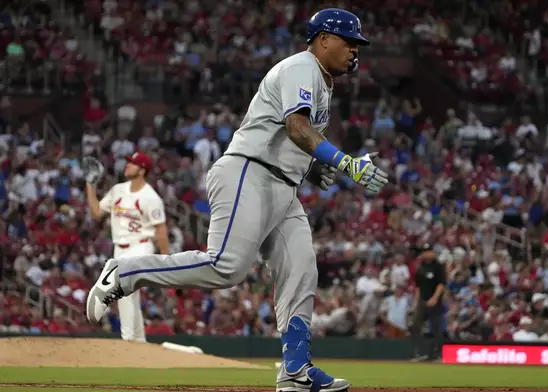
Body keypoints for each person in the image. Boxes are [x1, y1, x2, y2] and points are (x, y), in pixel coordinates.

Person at [86, 9, 387, 392]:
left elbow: (287, 134)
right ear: (323, 39)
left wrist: (311, 168)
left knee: (301, 271)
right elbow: (296, 127)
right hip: (249, 172)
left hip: (280, 184)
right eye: (349, 42)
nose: (354, 51)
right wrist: (344, 162)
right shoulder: (302, 67)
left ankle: (295, 369)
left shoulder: (322, 82)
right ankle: (125, 272)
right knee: (227, 267)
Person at [86, 152, 170, 342]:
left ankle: (128, 341)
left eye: (132, 163)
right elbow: (97, 212)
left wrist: (166, 262)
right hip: (120, 248)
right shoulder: (118, 190)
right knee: (129, 295)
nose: (127, 166)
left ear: (142, 170)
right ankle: (139, 342)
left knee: (122, 289)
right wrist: (90, 185)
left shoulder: (151, 197)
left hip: (141, 246)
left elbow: (161, 231)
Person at [411, 244, 446, 362]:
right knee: (416, 326)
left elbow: (441, 284)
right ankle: (420, 352)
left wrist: (435, 298)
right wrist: (416, 302)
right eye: (425, 251)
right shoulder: (420, 267)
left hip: (434, 301)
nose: (427, 253)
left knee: (436, 328)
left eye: (429, 251)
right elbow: (418, 286)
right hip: (422, 300)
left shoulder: (438, 267)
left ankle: (437, 354)